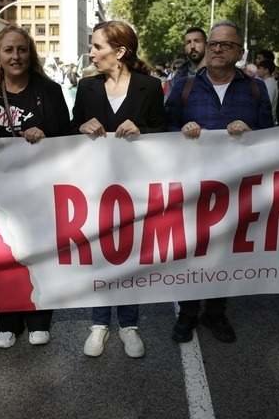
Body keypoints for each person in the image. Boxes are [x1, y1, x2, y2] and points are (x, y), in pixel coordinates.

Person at [165, 20, 273, 344]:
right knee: (191, 250)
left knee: (224, 251)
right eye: (213, 44)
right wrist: (180, 133)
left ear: (239, 52)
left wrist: (252, 134)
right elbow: (162, 131)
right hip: (192, 186)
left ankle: (215, 312)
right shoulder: (184, 87)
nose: (216, 49)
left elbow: (273, 136)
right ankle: (188, 311)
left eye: (225, 45)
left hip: (236, 188)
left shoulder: (255, 89)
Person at [0, 25, 70, 350]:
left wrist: (45, 135)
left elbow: (67, 139)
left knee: (37, 254)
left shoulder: (49, 91)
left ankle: (39, 318)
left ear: (31, 54)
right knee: (2, 253)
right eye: (9, 50)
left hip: (38, 190)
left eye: (22, 50)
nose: (16, 56)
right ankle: (7, 321)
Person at [72, 20, 165, 359]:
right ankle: (99, 323)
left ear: (120, 51)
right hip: (94, 187)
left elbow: (163, 131)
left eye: (97, 47)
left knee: (129, 254)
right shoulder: (86, 88)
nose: (91, 53)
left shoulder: (150, 87)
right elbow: (70, 129)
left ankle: (128, 324)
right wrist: (81, 126)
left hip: (135, 186)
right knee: (99, 254)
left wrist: (143, 130)